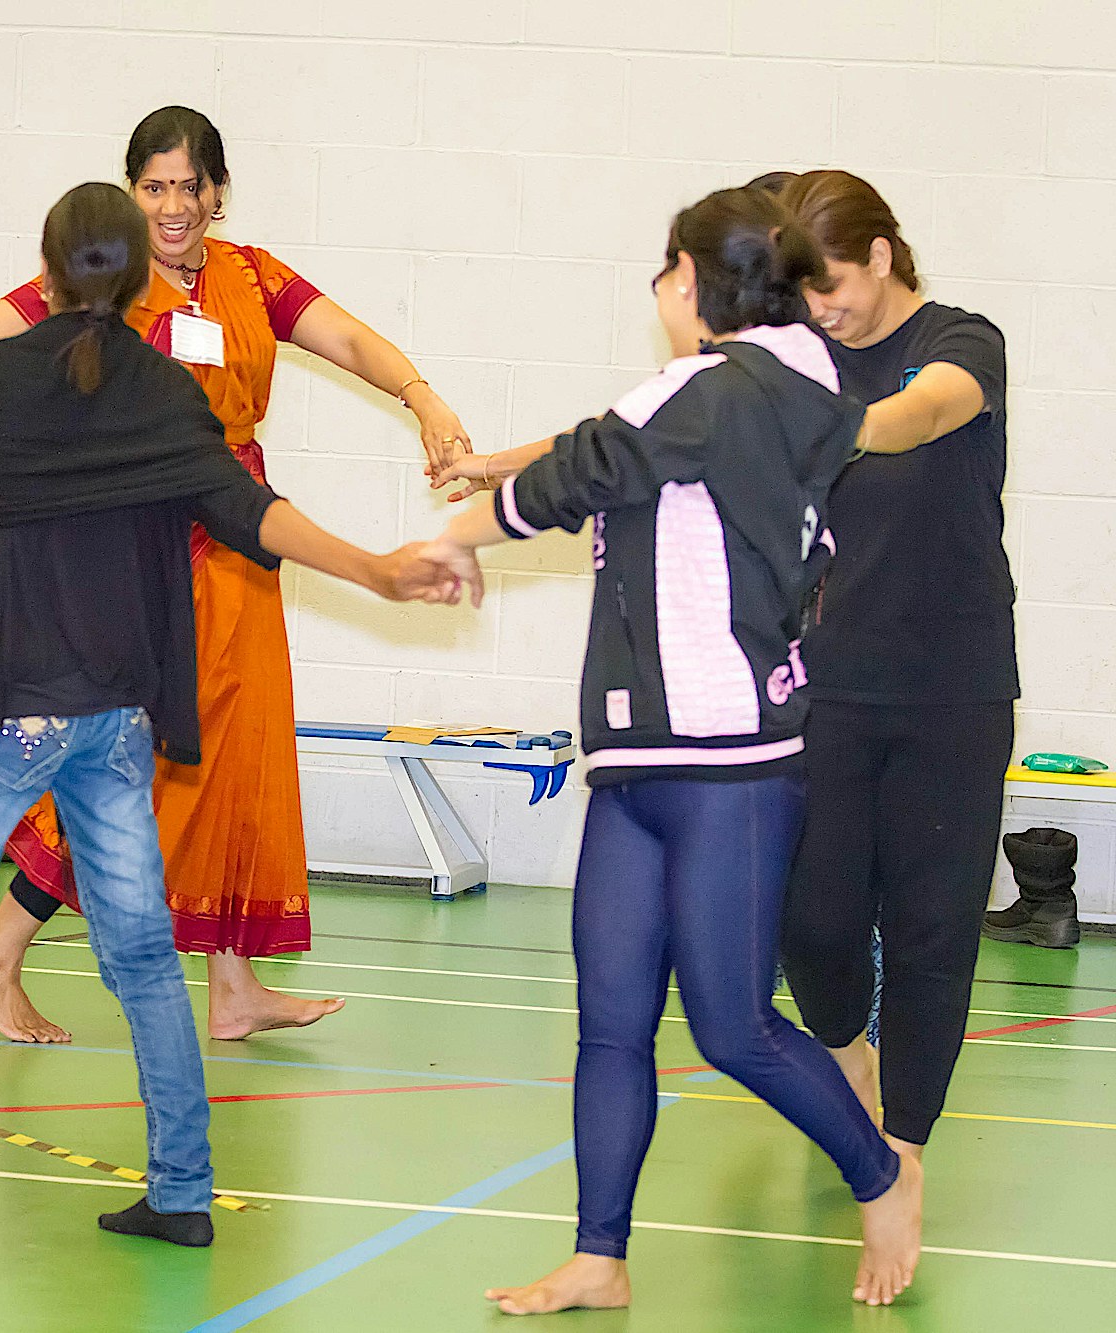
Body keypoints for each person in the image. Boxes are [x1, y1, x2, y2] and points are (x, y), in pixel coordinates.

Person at [0, 181, 461, 1246]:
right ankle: (181, 1191)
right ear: (138, 277)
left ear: (48, 271)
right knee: (144, 959)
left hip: (8, 716)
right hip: (118, 721)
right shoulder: (164, 389)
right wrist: (373, 568)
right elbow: (250, 513)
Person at [430, 188, 922, 1313]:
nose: (655, 288)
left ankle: (881, 1173)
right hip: (637, 758)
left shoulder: (724, 386)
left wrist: (457, 537)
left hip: (727, 764)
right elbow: (614, 457)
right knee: (610, 1021)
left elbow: (583, 464)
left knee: (732, 1024)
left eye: (665, 269)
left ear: (695, 283)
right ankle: (598, 1255)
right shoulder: (762, 391)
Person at [775, 170, 1017, 1167]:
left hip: (953, 688)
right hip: (828, 684)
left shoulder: (961, 342)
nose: (818, 307)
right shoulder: (797, 357)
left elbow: (919, 415)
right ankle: (848, 1055)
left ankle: (904, 1145)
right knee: (810, 916)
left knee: (932, 929)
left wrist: (827, 422)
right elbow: (663, 431)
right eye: (801, 291)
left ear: (880, 256)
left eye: (829, 283)